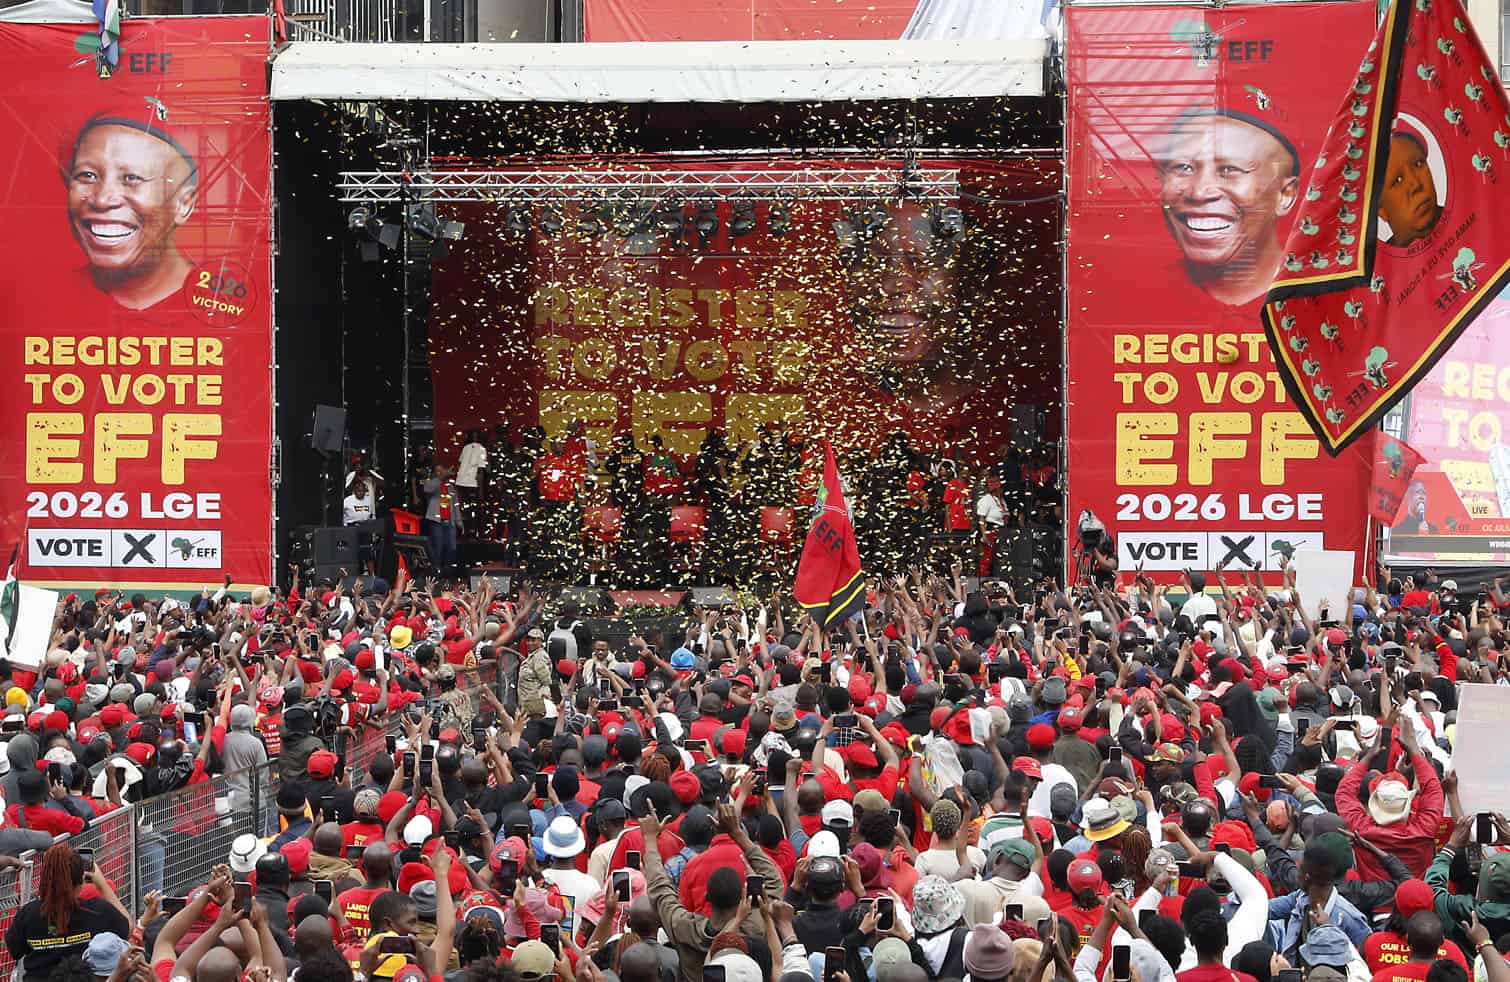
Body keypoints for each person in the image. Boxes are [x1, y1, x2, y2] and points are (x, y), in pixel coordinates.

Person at [1157, 108, 1300, 306]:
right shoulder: (1139, 292)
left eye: (1228, 170)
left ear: (1284, 195)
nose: (1199, 192)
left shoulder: (1318, 296)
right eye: (1183, 168)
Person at [64, 109, 199, 310]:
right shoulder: (43, 299)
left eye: (132, 178)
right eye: (87, 175)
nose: (102, 199)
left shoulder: (220, 303)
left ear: (183, 204)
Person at [5, 844, 130, 982]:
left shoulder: (28, 914)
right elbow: (128, 928)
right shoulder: (98, 910)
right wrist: (101, 884)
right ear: (82, 879)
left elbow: (15, 950)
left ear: (45, 877)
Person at [1377, 131, 1442, 249]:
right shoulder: (1377, 260)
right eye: (1398, 180)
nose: (1416, 185)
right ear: (1381, 211)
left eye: (1418, 164)